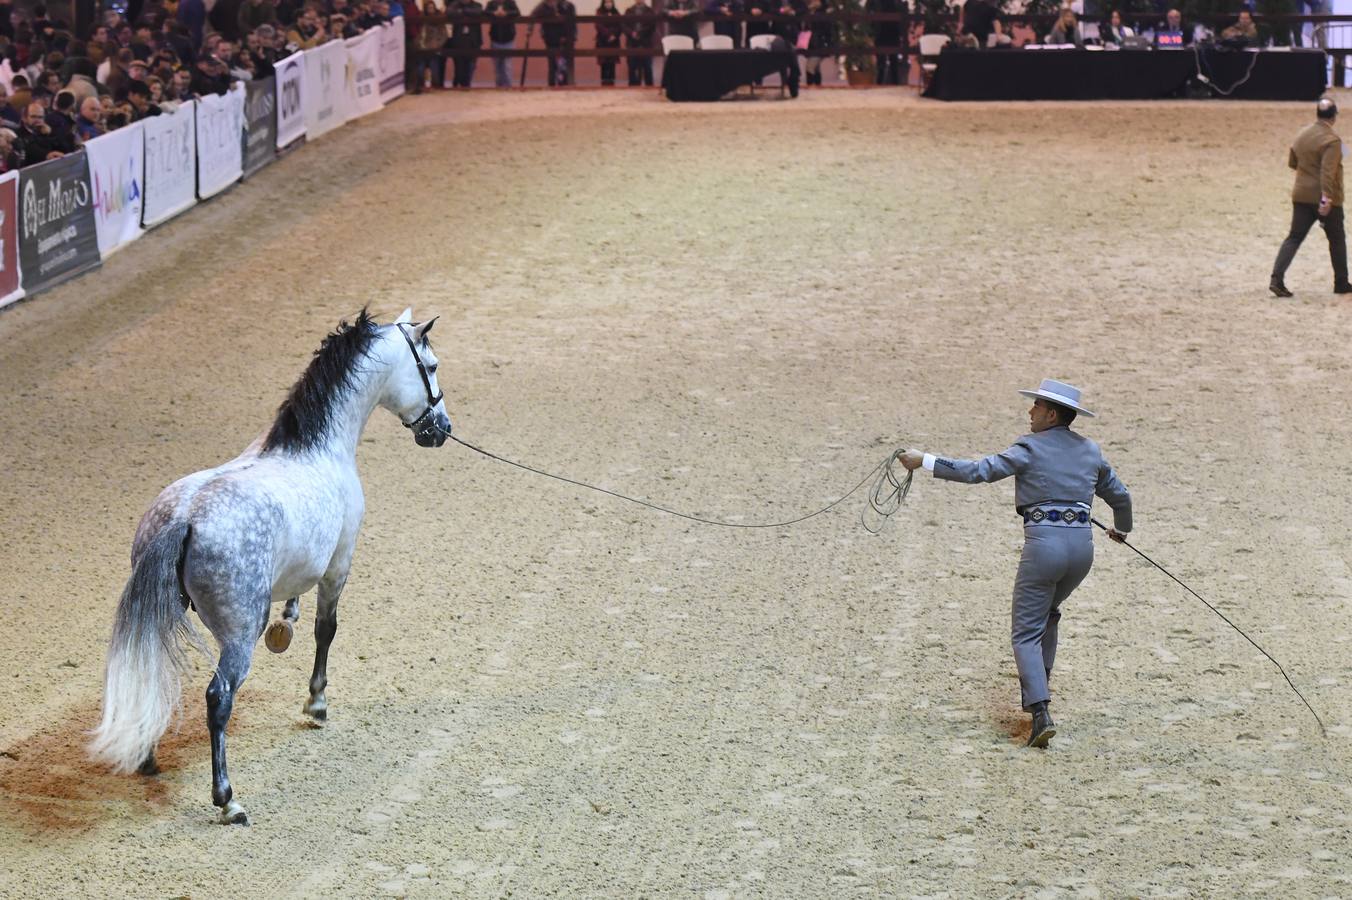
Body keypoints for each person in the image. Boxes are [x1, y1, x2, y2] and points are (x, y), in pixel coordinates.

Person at [898, 380, 1132, 749]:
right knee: (1049, 613)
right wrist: (1122, 530)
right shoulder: (1091, 451)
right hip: (1082, 551)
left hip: (1043, 547)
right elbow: (1121, 497)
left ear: (1051, 414)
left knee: (1025, 631)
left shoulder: (1029, 447)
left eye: (1036, 406)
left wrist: (924, 460)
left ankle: (1040, 712)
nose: (1030, 412)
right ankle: (1042, 679)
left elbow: (977, 471)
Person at [1271, 97, 1349, 297]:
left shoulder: (1301, 135)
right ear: (1334, 117)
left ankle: (1276, 278)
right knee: (1337, 239)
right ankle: (1341, 282)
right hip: (1326, 199)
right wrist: (1326, 199)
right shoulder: (1332, 140)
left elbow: (1292, 163)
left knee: (1294, 238)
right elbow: (1328, 172)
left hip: (1301, 195)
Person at [447, 0, 483, 88]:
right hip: (458, 41)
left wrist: (463, 11)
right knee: (459, 67)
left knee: (470, 67)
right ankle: (457, 85)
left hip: (473, 42)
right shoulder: (454, 4)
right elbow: (450, 13)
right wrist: (467, 12)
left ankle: (466, 85)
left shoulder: (477, 5)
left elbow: (478, 13)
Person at [866, 0, 904, 85]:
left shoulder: (896, 2)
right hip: (880, 34)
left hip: (893, 34)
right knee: (881, 64)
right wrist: (870, 33)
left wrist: (901, 33)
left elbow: (902, 15)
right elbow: (868, 12)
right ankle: (879, 85)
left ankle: (895, 86)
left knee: (894, 63)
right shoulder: (874, 2)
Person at [484, 0, 519, 89]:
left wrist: (506, 13)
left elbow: (517, 12)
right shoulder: (491, 3)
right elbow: (485, 13)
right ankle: (499, 87)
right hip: (495, 39)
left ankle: (508, 87)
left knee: (507, 66)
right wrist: (494, 13)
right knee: (497, 67)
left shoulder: (511, 3)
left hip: (508, 39)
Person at [622, 0, 655, 86]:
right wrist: (632, 33)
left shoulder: (650, 11)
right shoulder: (628, 11)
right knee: (632, 67)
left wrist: (640, 33)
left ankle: (649, 89)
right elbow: (624, 25)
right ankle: (632, 89)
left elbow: (652, 26)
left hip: (646, 42)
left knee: (647, 67)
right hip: (632, 43)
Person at [595, 0, 622, 85]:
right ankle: (603, 82)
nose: (608, 4)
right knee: (604, 63)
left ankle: (612, 82)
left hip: (614, 42)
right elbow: (598, 25)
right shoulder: (599, 12)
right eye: (606, 2)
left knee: (612, 63)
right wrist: (608, 35)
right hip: (603, 41)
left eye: (610, 2)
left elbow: (620, 26)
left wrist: (614, 35)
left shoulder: (616, 12)